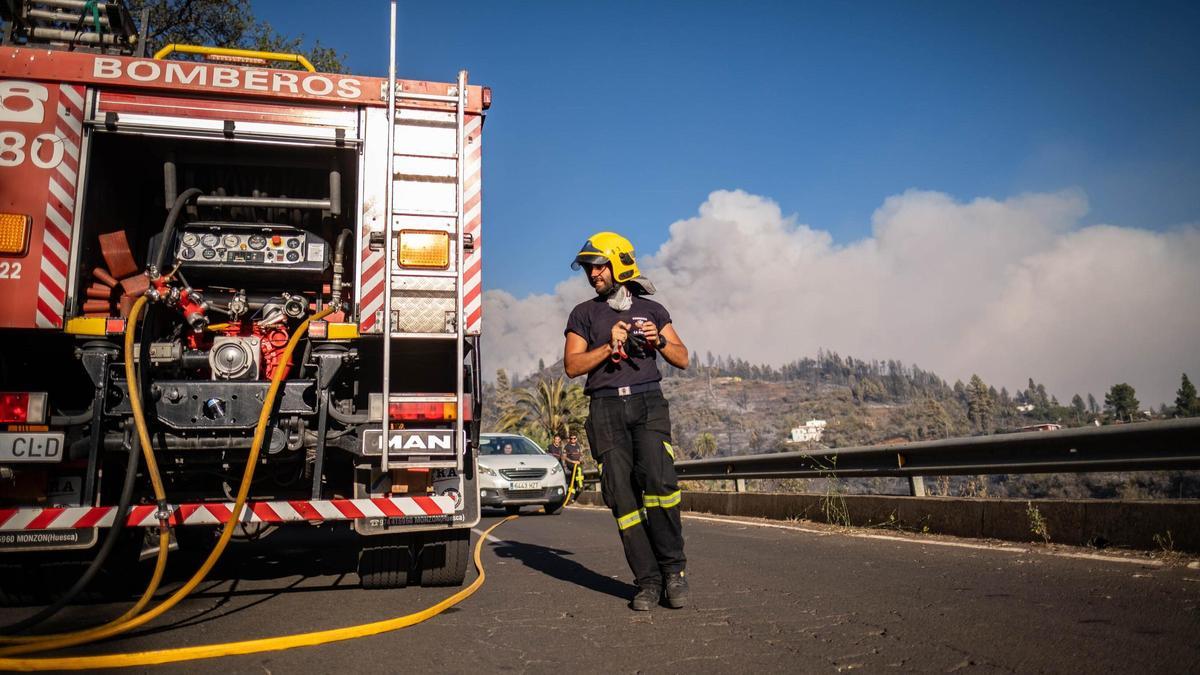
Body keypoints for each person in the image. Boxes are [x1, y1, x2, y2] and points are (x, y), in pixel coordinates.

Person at [562, 231, 690, 611]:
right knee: (622, 498)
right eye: (588, 268)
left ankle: (673, 573)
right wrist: (607, 346)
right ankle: (647, 581)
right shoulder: (583, 314)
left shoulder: (653, 310)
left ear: (618, 264)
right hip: (605, 409)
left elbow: (683, 358)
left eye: (598, 266)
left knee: (660, 484)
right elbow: (572, 366)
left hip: (648, 404)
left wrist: (659, 342)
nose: (592, 274)